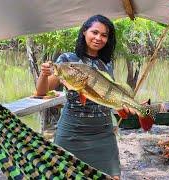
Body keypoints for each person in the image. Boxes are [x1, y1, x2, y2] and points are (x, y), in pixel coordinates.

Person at [35, 15, 129, 179]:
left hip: (103, 132)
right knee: (62, 175)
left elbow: (108, 97)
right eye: (94, 32)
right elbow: (42, 92)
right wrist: (43, 75)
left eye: (104, 35)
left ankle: (150, 112)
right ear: (84, 31)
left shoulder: (106, 63)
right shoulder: (67, 60)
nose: (98, 38)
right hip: (71, 131)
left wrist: (123, 108)